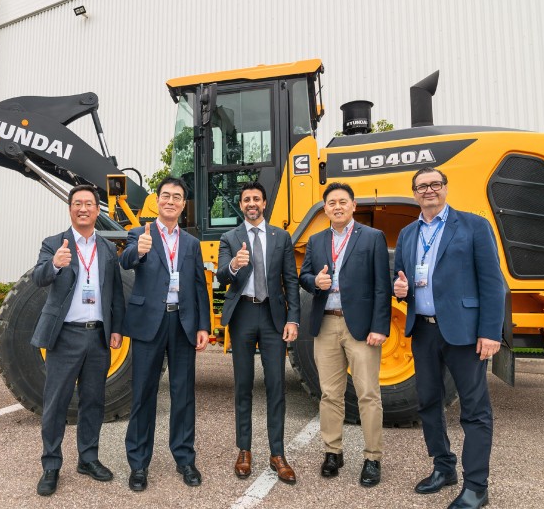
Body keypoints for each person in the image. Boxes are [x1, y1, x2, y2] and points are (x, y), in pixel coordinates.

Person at [393, 167, 505, 509]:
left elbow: (493, 283)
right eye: (422, 186)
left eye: (434, 184)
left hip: (464, 333)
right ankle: (444, 468)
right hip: (423, 330)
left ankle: (476, 487)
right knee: (427, 402)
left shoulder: (473, 226)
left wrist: (490, 331)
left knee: (474, 410)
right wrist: (402, 290)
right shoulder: (408, 234)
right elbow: (404, 279)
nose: (429, 190)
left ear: (445, 188)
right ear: (414, 193)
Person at [30, 184, 125, 497]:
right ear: (70, 208)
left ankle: (88, 458)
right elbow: (39, 278)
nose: (84, 209)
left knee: (93, 401)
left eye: (89, 204)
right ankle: (51, 465)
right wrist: (55, 263)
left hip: (97, 335)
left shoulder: (108, 249)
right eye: (78, 204)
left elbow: (115, 293)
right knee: (56, 403)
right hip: (66, 336)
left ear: (98, 211)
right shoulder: (54, 243)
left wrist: (116, 329)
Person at [120, 176, 210, 492]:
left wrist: (203, 326)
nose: (170, 201)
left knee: (183, 395)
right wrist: (139, 251)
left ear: (183, 205)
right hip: (149, 323)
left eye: (177, 197)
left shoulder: (191, 243)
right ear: (157, 200)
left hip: (182, 323)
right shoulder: (139, 234)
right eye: (166, 196)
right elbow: (125, 259)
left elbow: (200, 285)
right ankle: (139, 464)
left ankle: (185, 458)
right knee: (143, 394)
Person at [298, 182, 392, 488]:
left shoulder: (372, 238)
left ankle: (372, 457)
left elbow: (382, 285)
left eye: (342, 202)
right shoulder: (315, 240)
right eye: (331, 203)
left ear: (353, 206)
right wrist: (316, 282)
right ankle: (332, 452)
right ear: (325, 209)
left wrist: (380, 326)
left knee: (367, 394)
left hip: (361, 328)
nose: (337, 207)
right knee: (330, 394)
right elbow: (305, 276)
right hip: (325, 324)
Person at [217, 181, 300, 484]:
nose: (251, 203)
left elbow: (290, 280)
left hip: (272, 316)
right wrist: (236, 266)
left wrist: (294, 319)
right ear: (241, 205)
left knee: (276, 386)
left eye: (256, 199)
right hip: (243, 315)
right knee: (243, 385)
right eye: (246, 199)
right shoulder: (230, 237)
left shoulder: (281, 237)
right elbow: (221, 274)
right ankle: (244, 451)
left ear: (264, 204)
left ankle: (277, 454)